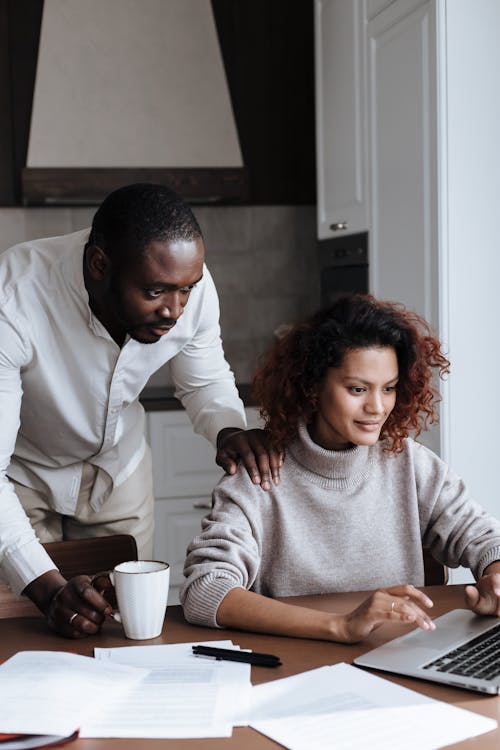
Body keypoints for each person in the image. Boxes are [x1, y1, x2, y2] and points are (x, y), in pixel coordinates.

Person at [0, 182, 281, 638]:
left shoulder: (188, 284)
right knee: (27, 633)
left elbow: (204, 378)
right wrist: (46, 588)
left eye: (186, 291)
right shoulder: (13, 297)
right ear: (99, 265)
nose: (174, 310)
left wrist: (229, 430)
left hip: (118, 470)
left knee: (123, 627)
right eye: (155, 292)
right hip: (21, 478)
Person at [182, 294, 500, 643]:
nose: (377, 407)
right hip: (294, 666)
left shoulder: (408, 461)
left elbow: (485, 539)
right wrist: (340, 626)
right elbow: (205, 590)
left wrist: (496, 573)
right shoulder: (259, 473)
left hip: (399, 658)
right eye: (357, 389)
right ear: (313, 386)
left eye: (389, 388)